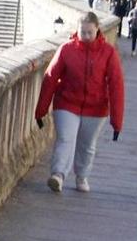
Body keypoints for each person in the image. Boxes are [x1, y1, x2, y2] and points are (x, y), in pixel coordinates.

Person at [34, 12, 125, 194]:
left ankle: (82, 176)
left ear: (97, 30)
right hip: (67, 103)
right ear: (77, 30)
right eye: (83, 32)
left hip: (96, 108)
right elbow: (50, 78)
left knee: (87, 144)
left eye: (90, 32)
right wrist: (41, 110)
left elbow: (116, 85)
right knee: (65, 139)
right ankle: (58, 175)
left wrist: (117, 121)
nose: (86, 36)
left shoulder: (108, 53)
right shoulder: (67, 49)